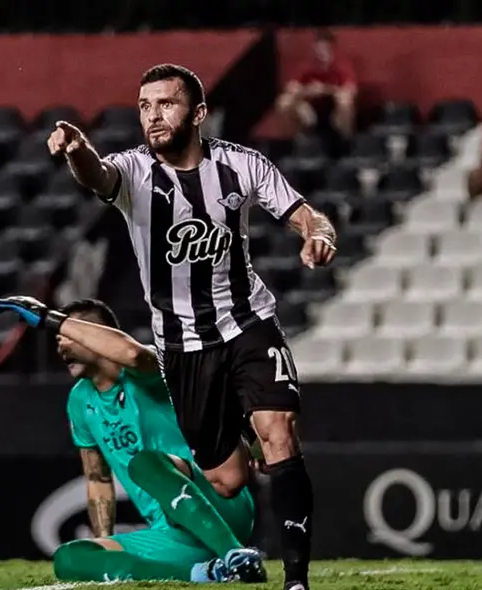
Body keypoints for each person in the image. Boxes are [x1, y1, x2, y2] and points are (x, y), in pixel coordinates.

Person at [46, 63, 337, 590]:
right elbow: (96, 176)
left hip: (248, 321)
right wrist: (77, 150)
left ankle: (296, 581)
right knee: (225, 476)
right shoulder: (134, 172)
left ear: (198, 113)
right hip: (183, 346)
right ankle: (220, 553)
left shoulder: (240, 165)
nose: (153, 116)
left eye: (166, 104)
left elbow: (304, 213)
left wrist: (317, 233)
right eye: (144, 106)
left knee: (280, 433)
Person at [0, 296, 266, 584]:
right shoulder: (79, 400)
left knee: (143, 463)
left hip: (220, 505)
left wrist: (49, 316)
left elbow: (133, 355)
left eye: (69, 336)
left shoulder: (147, 374)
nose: (61, 345)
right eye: (59, 338)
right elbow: (97, 478)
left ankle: (236, 554)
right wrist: (103, 543)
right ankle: (206, 573)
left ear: (96, 336)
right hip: (171, 534)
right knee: (70, 558)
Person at [275, 29, 357, 139]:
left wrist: (326, 89)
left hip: (333, 107)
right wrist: (308, 90)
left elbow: (352, 89)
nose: (322, 52)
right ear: (315, 48)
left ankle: (346, 140)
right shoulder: (306, 66)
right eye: (319, 48)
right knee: (284, 102)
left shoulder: (341, 65)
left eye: (326, 48)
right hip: (309, 106)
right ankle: (293, 142)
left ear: (332, 48)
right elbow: (291, 88)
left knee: (345, 99)